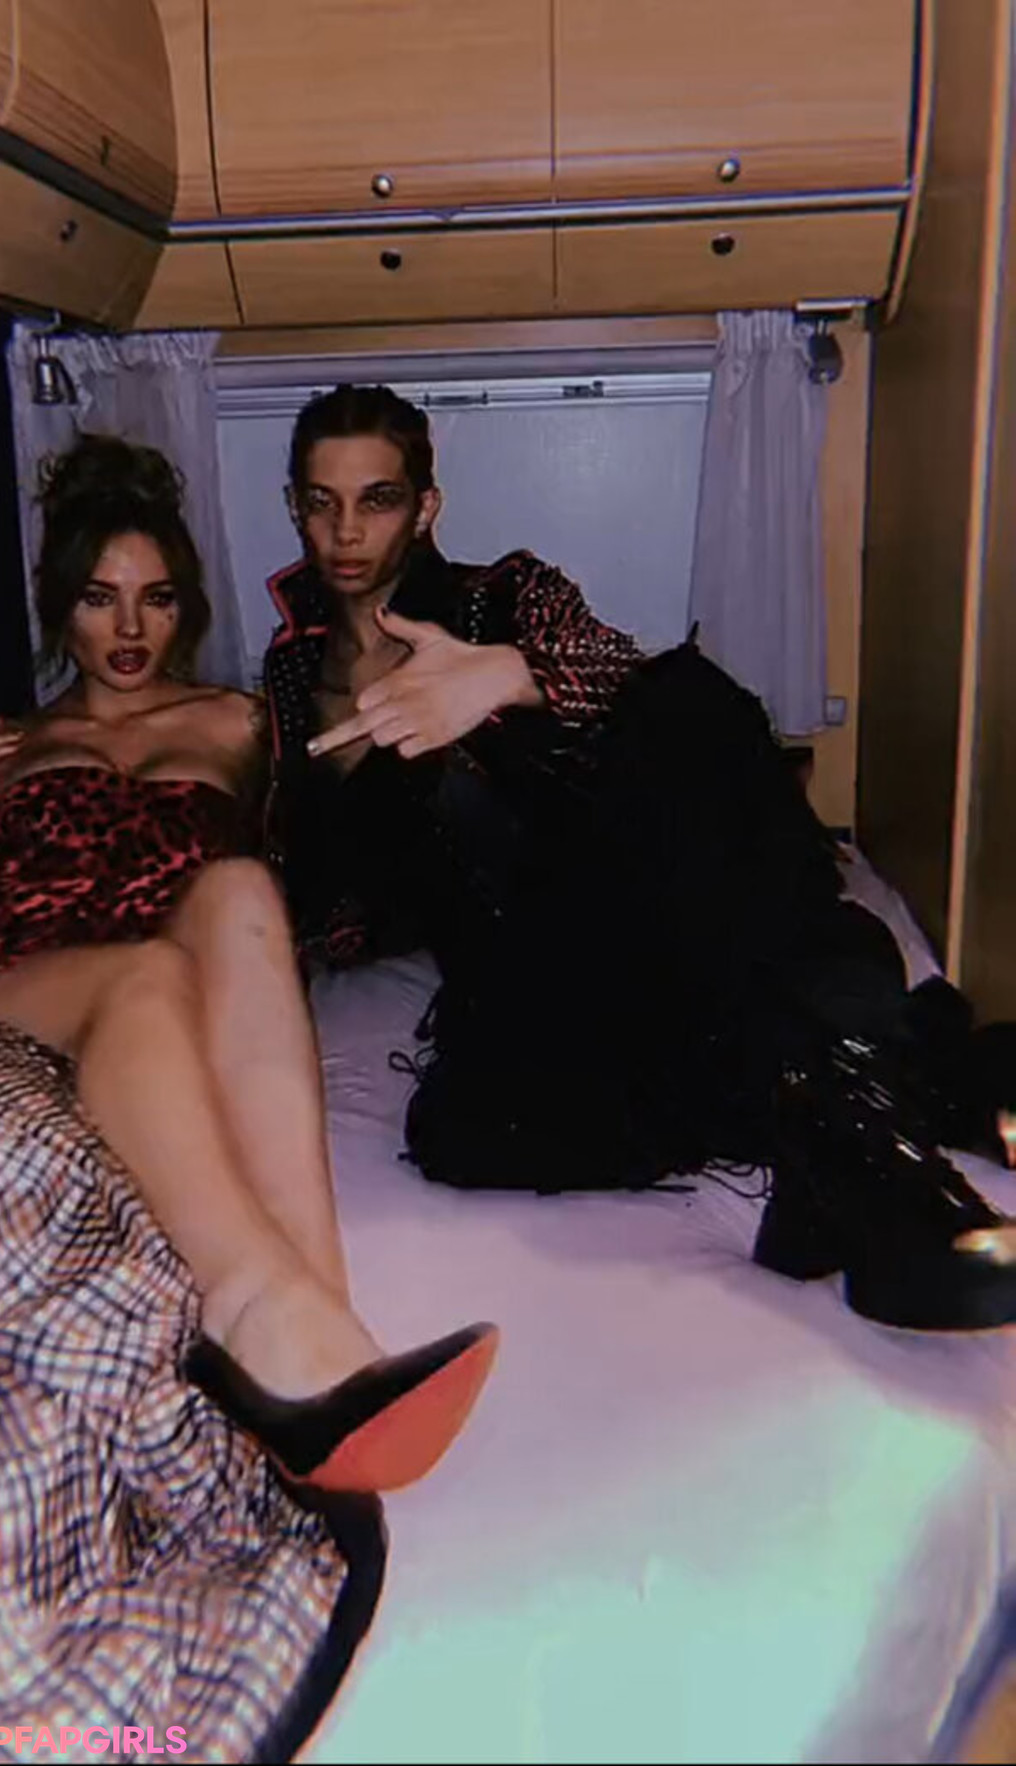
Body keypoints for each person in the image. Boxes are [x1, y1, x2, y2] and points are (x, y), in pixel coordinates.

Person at [262, 383, 1016, 1334]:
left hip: (633, 874)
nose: (346, 531)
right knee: (479, 1130)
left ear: (425, 508)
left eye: (377, 499)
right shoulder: (291, 677)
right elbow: (330, 894)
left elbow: (625, 672)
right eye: (322, 502)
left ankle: (882, 1181)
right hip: (524, 956)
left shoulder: (506, 594)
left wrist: (511, 676)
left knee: (684, 702)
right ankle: (895, 1084)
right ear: (294, 507)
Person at [0, 432, 496, 1494]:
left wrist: (474, 685)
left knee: (236, 891)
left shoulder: (242, 719)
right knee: (140, 975)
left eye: (155, 599)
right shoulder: (4, 747)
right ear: (61, 607)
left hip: (170, 981)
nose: (129, 629)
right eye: (99, 599)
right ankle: (261, 1322)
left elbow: (339, 821)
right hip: (7, 996)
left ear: (186, 607)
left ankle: (326, 1340)